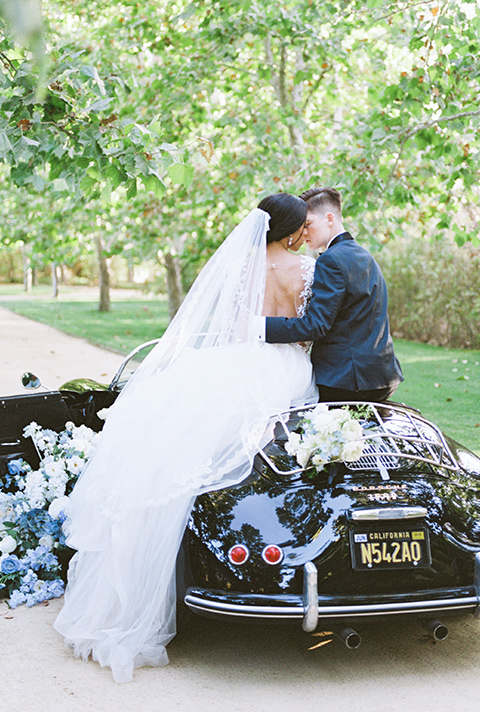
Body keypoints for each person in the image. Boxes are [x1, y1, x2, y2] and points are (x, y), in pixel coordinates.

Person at [54, 193, 317, 683]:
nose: (306, 233)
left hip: (239, 363)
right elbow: (307, 333)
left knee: (174, 457)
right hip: (284, 369)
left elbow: (237, 328)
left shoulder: (243, 267)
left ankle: (135, 592)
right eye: (301, 226)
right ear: (288, 229)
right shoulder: (303, 270)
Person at [264, 186, 404, 402]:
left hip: (347, 380)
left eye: (307, 224)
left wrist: (259, 326)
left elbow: (315, 325)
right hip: (378, 374)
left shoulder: (331, 260)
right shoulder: (360, 253)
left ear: (329, 218)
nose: (303, 233)